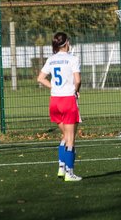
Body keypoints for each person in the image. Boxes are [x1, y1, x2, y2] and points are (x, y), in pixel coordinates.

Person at [37, 32, 82, 181]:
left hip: (55, 101)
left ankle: (61, 168)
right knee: (70, 137)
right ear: (67, 42)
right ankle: (69, 173)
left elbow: (40, 78)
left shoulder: (51, 59)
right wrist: (76, 91)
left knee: (64, 135)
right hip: (68, 100)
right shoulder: (72, 59)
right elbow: (78, 80)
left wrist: (53, 87)